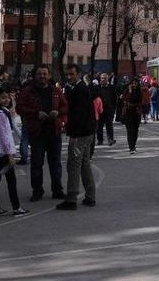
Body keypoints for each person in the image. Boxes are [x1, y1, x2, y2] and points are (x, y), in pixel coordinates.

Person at [17, 65, 68, 202]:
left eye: (45, 74)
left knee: (56, 163)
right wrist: (35, 114)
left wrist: (58, 112)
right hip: (37, 132)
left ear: (49, 75)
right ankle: (37, 191)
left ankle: (57, 190)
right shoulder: (28, 91)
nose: (42, 76)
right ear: (35, 76)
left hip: (54, 132)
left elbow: (65, 106)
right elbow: (19, 107)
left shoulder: (56, 91)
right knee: (36, 164)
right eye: (39, 74)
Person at [56, 64, 96, 210]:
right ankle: (90, 196)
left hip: (79, 134)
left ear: (78, 74)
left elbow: (78, 115)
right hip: (86, 133)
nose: (69, 77)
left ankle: (71, 198)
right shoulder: (80, 89)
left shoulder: (79, 90)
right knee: (85, 165)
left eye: (72, 74)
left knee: (73, 165)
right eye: (67, 74)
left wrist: (70, 130)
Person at [0, 87, 29, 218]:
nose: (6, 100)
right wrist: (10, 154)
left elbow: (10, 129)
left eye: (7, 97)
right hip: (2, 152)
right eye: (3, 98)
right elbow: (4, 135)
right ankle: (16, 208)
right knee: (11, 180)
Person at [96, 73, 117, 146]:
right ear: (100, 79)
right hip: (99, 111)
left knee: (109, 125)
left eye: (105, 78)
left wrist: (113, 109)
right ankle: (100, 140)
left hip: (109, 110)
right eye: (102, 78)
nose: (103, 79)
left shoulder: (112, 87)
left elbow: (115, 98)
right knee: (99, 126)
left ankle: (110, 139)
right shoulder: (97, 87)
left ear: (108, 79)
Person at [123, 78, 143, 154]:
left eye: (135, 83)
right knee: (129, 130)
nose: (134, 85)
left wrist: (135, 104)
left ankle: (133, 145)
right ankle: (131, 147)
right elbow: (125, 100)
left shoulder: (139, 91)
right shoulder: (127, 91)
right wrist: (130, 91)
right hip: (128, 113)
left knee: (135, 131)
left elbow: (140, 101)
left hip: (136, 112)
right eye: (132, 83)